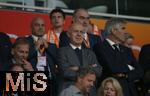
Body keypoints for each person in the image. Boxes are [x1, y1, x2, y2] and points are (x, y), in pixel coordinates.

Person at [94, 18, 143, 96]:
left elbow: (140, 71)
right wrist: (129, 67)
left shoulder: (127, 50)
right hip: (111, 91)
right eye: (123, 28)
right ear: (113, 30)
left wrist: (126, 75)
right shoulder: (100, 47)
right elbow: (113, 68)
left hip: (129, 91)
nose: (125, 32)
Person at [57, 23, 102, 95]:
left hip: (90, 92)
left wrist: (78, 68)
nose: (79, 34)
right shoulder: (62, 51)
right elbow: (65, 72)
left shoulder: (90, 52)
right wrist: (89, 68)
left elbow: (99, 71)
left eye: (81, 32)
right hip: (70, 91)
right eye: (76, 31)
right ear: (68, 34)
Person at [26, 17, 57, 96]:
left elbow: (58, 60)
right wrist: (36, 47)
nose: (40, 27)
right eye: (37, 25)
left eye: (42, 25)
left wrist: (48, 47)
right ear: (31, 27)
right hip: (33, 80)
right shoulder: (24, 41)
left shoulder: (51, 46)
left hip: (50, 82)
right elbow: (22, 57)